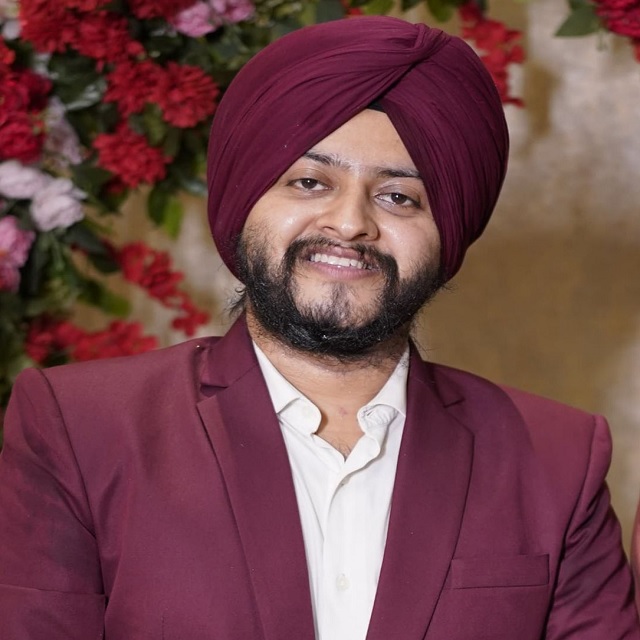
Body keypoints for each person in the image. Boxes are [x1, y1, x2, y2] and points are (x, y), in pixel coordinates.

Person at [0, 15, 637, 640]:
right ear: (245, 200)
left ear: (449, 233)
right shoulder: (81, 427)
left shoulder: (556, 458)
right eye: (309, 182)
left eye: (399, 197)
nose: (350, 222)